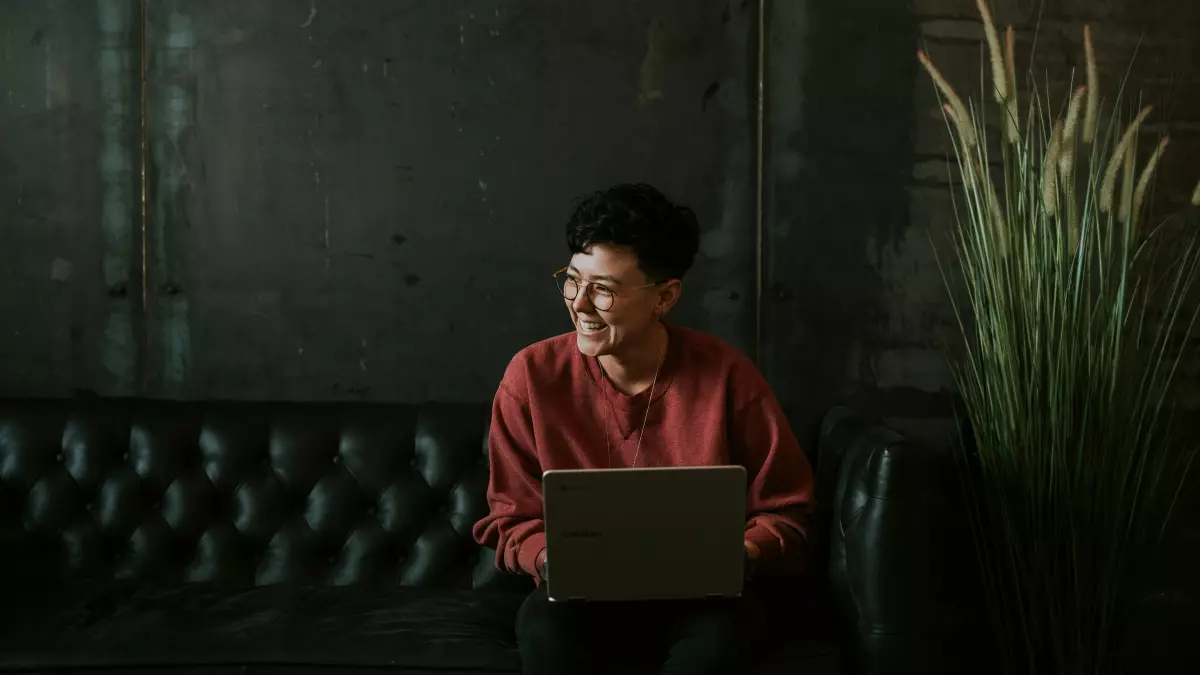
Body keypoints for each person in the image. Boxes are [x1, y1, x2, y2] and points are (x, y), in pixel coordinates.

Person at [472, 183, 816, 675]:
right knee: (546, 633)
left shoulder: (727, 377)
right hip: (577, 600)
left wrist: (744, 552)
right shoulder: (531, 376)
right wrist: (549, 558)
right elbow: (510, 517)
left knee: (719, 642)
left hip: (703, 600)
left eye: (604, 290)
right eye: (572, 280)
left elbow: (789, 513)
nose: (580, 304)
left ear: (665, 297)